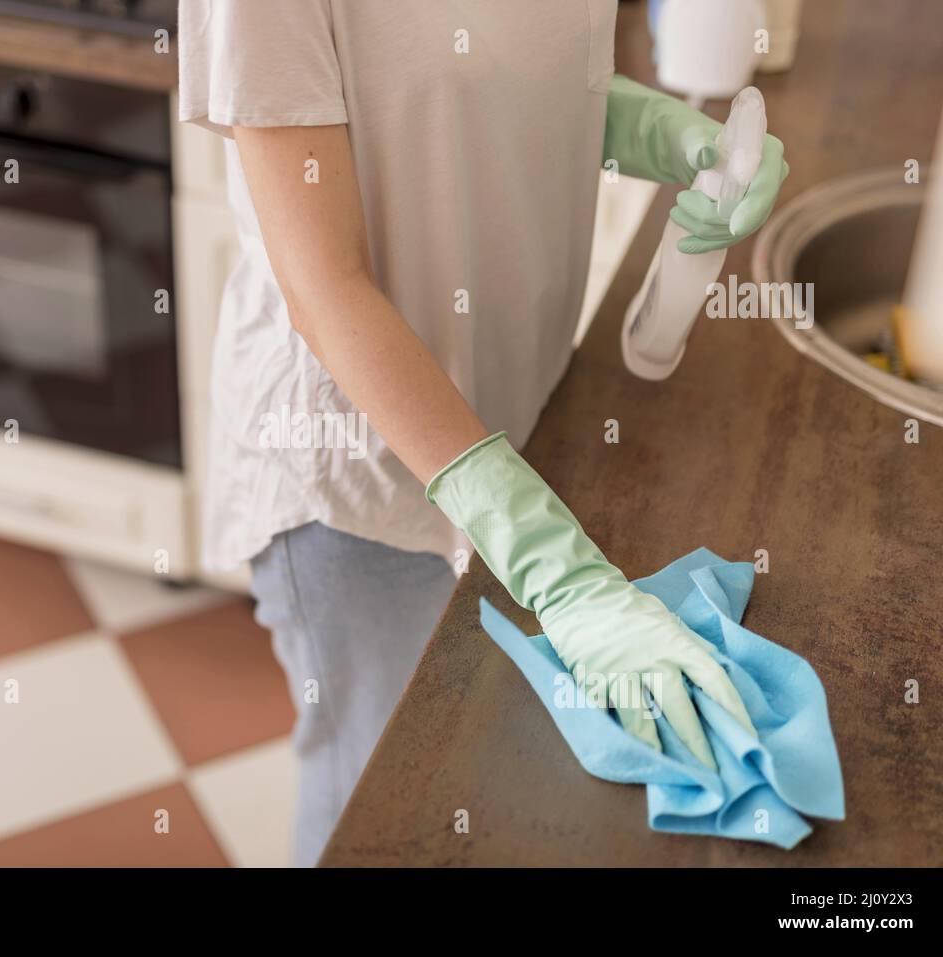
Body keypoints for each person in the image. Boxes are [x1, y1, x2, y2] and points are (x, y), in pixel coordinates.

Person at [177, 0, 788, 867]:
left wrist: (662, 132)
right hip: (361, 476)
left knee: (484, 793)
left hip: (516, 423)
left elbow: (497, 89)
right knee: (377, 806)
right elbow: (325, 287)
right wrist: (557, 566)